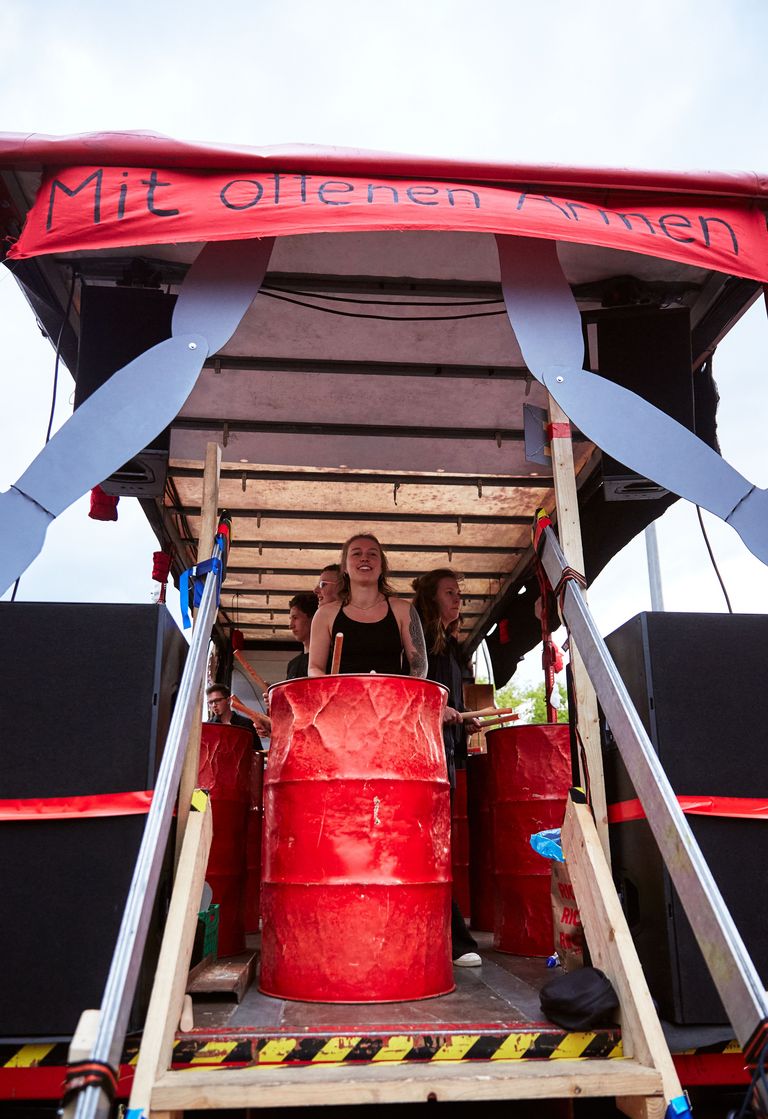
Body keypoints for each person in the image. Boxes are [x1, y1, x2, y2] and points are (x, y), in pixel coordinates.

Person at [412, 567, 483, 968]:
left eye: (460, 593)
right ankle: (452, 938)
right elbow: (415, 692)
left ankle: (449, 936)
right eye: (450, 593)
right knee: (431, 844)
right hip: (425, 752)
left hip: (446, 752)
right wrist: (440, 710)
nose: (458, 599)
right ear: (431, 597)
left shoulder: (452, 649)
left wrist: (463, 716)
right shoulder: (425, 647)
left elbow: (446, 704)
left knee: (441, 845)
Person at [308, 534, 427, 677]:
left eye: (372, 554)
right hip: (342, 698)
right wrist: (331, 692)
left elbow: (419, 666)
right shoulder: (324, 614)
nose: (365, 558)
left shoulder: (404, 610)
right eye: (357, 553)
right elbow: (314, 667)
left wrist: (406, 697)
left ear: (382, 566)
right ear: (344, 567)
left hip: (391, 697)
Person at [205, 682, 266, 749]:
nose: (214, 705)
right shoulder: (209, 727)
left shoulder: (246, 724)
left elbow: (257, 751)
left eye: (217, 700)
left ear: (228, 700)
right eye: (210, 702)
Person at [285, 592, 319, 679]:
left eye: (295, 618)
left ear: (313, 618)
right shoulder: (293, 664)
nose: (291, 625)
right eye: (291, 619)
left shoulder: (327, 660)